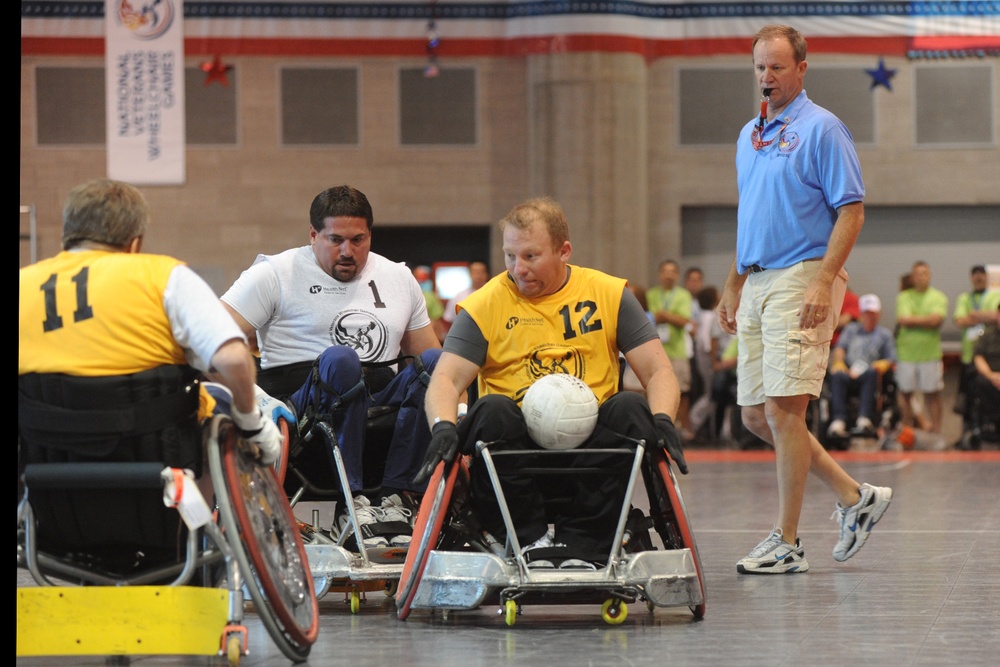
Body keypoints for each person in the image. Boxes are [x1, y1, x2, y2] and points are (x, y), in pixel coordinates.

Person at [419, 196, 686, 567]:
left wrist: (663, 419)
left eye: (531, 256)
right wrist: (443, 426)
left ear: (564, 251)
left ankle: (587, 541)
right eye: (510, 256)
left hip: (592, 452)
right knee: (491, 408)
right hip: (513, 454)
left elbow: (658, 371)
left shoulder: (609, 294)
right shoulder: (485, 304)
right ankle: (527, 538)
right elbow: (446, 378)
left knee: (630, 406)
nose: (518, 269)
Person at [717, 24, 892, 574]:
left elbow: (852, 209)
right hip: (758, 278)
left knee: (785, 411)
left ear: (800, 69)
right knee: (754, 416)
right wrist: (733, 280)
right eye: (759, 68)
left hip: (803, 274)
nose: (766, 78)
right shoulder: (750, 134)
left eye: (776, 67)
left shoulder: (823, 128)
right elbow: (752, 216)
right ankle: (853, 497)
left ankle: (787, 542)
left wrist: (824, 279)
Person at [220, 185, 441, 547]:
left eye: (358, 240)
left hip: (378, 395)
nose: (347, 251)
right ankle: (350, 501)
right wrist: (253, 397)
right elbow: (212, 338)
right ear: (313, 235)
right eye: (335, 239)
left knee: (434, 364)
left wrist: (456, 419)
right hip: (304, 402)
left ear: (370, 235)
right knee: (342, 359)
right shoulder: (275, 272)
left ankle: (397, 497)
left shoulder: (398, 277)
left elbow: (437, 367)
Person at [18, 179, 282, 470]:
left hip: (46, 469)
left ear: (65, 237)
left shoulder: (24, 284)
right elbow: (232, 358)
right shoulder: (165, 277)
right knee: (215, 410)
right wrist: (251, 423)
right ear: (135, 243)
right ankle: (202, 514)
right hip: (154, 463)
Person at [826, 294, 897, 438]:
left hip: (870, 374)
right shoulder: (851, 329)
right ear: (861, 314)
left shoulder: (885, 335)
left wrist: (883, 363)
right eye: (867, 313)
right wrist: (839, 362)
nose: (870, 317)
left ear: (879, 314)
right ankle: (838, 420)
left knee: (871, 374)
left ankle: (864, 418)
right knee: (836, 375)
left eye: (873, 313)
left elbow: (891, 358)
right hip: (849, 372)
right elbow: (840, 348)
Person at [895, 260, 948, 434]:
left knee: (932, 394)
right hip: (906, 354)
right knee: (905, 393)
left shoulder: (938, 297)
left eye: (925, 273)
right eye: (918, 274)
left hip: (930, 355)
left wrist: (914, 320)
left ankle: (937, 432)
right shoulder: (904, 297)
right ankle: (906, 431)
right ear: (913, 277)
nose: (921, 277)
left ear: (930, 276)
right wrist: (926, 320)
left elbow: (936, 320)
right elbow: (903, 320)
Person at [647, 260, 694, 438]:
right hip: (656, 349)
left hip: (678, 351)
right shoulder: (651, 294)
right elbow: (648, 317)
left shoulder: (683, 295)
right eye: (665, 271)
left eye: (672, 271)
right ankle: (657, 428)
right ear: (660, 274)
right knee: (655, 389)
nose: (668, 275)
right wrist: (669, 316)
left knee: (683, 390)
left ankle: (682, 429)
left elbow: (685, 320)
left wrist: (664, 315)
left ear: (677, 275)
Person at [952, 265, 1000, 439]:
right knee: (967, 394)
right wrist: (987, 316)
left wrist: (974, 315)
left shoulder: (996, 295)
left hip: (992, 361)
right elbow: (959, 320)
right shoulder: (964, 298)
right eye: (975, 276)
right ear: (971, 278)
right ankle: (969, 432)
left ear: (986, 278)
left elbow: (995, 316)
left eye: (981, 276)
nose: (978, 278)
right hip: (969, 356)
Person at [442, 260, 490, 331]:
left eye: (481, 272)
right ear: (469, 274)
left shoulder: (493, 294)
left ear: (486, 274)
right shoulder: (459, 296)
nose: (478, 275)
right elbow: (449, 318)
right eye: (475, 272)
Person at [414, 264, 448, 343]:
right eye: (417, 277)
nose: (419, 281)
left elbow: (437, 321)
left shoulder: (430, 296)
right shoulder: (405, 296)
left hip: (428, 337)